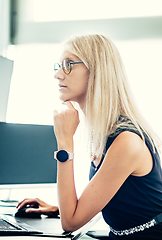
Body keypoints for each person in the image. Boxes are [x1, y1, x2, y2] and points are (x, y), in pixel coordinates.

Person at [17, 34, 162, 239]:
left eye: (68, 65)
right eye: (59, 65)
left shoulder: (127, 142)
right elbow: (115, 202)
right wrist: (60, 208)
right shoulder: (104, 132)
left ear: (97, 72)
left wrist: (65, 142)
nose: (58, 74)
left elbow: (70, 223)